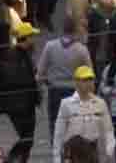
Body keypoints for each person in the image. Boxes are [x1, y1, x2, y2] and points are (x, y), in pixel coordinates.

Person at [38, 17, 93, 145]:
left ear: (63, 29)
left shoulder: (50, 46)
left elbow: (40, 71)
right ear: (76, 30)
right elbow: (90, 73)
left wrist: (42, 85)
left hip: (55, 90)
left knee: (56, 122)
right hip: (75, 91)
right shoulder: (81, 49)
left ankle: (58, 150)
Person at [0, 22, 40, 163]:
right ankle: (10, 158)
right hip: (19, 105)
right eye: (32, 36)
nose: (34, 40)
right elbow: (15, 79)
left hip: (26, 103)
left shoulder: (24, 54)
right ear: (26, 38)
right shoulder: (12, 56)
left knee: (27, 137)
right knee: (27, 138)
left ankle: (21, 159)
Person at [54, 65, 115, 163]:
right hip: (73, 154)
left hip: (94, 154)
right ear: (76, 82)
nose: (88, 83)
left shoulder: (100, 103)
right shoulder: (66, 104)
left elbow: (108, 130)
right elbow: (59, 133)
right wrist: (56, 158)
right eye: (84, 80)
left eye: (90, 79)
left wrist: (109, 152)